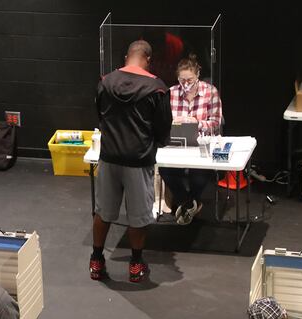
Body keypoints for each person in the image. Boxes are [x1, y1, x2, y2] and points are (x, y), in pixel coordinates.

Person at [90, 40, 172, 282]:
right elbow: (163, 130)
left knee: (103, 211)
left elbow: (99, 116)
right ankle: (135, 265)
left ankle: (96, 261)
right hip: (139, 161)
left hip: (109, 158)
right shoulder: (157, 89)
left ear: (127, 56)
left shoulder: (105, 82)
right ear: (148, 59)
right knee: (138, 216)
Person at [160, 54, 223, 225]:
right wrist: (174, 123)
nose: (186, 84)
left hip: (200, 146)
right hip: (177, 145)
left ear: (198, 75)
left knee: (199, 175)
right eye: (182, 80)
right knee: (166, 170)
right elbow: (162, 122)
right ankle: (190, 203)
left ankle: (188, 203)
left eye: (190, 80)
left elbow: (216, 123)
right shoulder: (171, 93)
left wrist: (197, 123)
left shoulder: (210, 92)